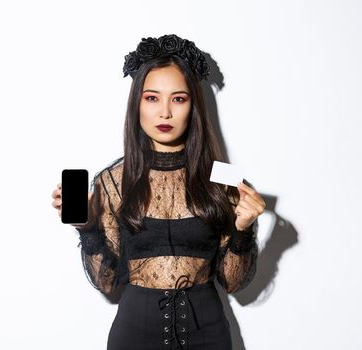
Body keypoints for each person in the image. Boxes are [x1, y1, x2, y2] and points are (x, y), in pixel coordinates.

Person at [50, 34, 266, 350]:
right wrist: (87, 226)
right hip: (134, 335)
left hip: (208, 335)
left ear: (194, 106)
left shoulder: (225, 182)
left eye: (178, 99)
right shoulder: (112, 182)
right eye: (152, 98)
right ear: (136, 103)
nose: (164, 112)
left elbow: (234, 283)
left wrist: (243, 232)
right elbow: (106, 282)